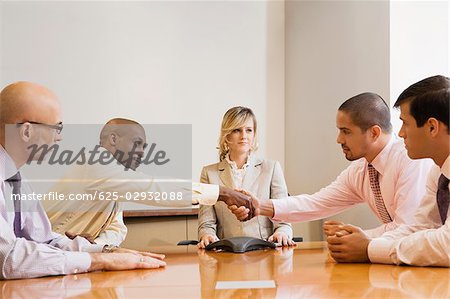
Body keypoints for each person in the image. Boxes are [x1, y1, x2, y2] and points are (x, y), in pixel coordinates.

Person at [0, 81, 250, 280]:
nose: (59, 138)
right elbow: (9, 258)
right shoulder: (95, 162)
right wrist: (221, 192)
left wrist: (102, 248)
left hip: (58, 266)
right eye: (57, 128)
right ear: (26, 131)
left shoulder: (17, 179)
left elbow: (110, 229)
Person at [230, 93, 432, 238]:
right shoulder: (360, 170)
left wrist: (358, 237)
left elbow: (407, 229)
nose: (338, 139)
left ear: (374, 133)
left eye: (346, 131)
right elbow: (316, 203)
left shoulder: (410, 161)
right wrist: (260, 206)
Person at [326, 75, 450, 267]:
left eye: (405, 123)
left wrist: (369, 249)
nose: (400, 133)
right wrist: (363, 242)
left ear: (432, 127)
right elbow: (418, 228)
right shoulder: (438, 171)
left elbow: (447, 245)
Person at [197, 106, 293, 248]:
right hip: (226, 253)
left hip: (264, 251)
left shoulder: (271, 168)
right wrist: (207, 235)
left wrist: (282, 232)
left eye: (249, 130)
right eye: (237, 130)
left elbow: (283, 218)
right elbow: (206, 223)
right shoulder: (209, 173)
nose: (244, 136)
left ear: (254, 134)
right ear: (226, 135)